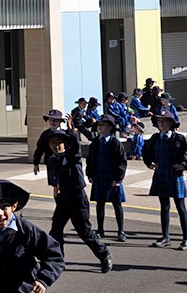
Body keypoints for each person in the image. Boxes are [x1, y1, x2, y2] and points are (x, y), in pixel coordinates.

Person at [41, 129, 112, 273]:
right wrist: (55, 189)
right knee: (56, 230)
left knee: (84, 231)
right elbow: (54, 177)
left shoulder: (72, 156)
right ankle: (58, 259)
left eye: (59, 143)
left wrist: (72, 132)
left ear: (65, 144)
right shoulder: (52, 159)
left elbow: (76, 147)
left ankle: (103, 254)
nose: (56, 146)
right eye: (53, 143)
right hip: (63, 198)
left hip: (78, 197)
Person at [142, 112, 187, 250]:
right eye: (160, 121)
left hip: (175, 175)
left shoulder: (179, 138)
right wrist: (149, 163)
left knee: (181, 207)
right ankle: (165, 237)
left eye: (165, 121)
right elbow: (145, 151)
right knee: (164, 207)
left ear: (171, 123)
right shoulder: (155, 138)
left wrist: (184, 165)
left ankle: (186, 240)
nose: (162, 123)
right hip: (161, 174)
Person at [86, 115, 129, 241]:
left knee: (117, 204)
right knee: (100, 203)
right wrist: (90, 174)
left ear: (110, 127)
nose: (100, 127)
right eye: (99, 125)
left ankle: (121, 230)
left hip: (112, 178)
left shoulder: (115, 143)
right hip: (99, 176)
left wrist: (118, 178)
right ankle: (100, 229)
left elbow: (122, 161)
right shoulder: (95, 142)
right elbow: (90, 159)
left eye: (103, 125)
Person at [31, 109, 70, 175]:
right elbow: (39, 149)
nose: (52, 122)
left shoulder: (65, 134)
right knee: (54, 182)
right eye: (51, 120)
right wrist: (36, 163)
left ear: (60, 121)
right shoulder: (45, 134)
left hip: (64, 162)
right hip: (50, 162)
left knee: (63, 181)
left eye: (55, 120)